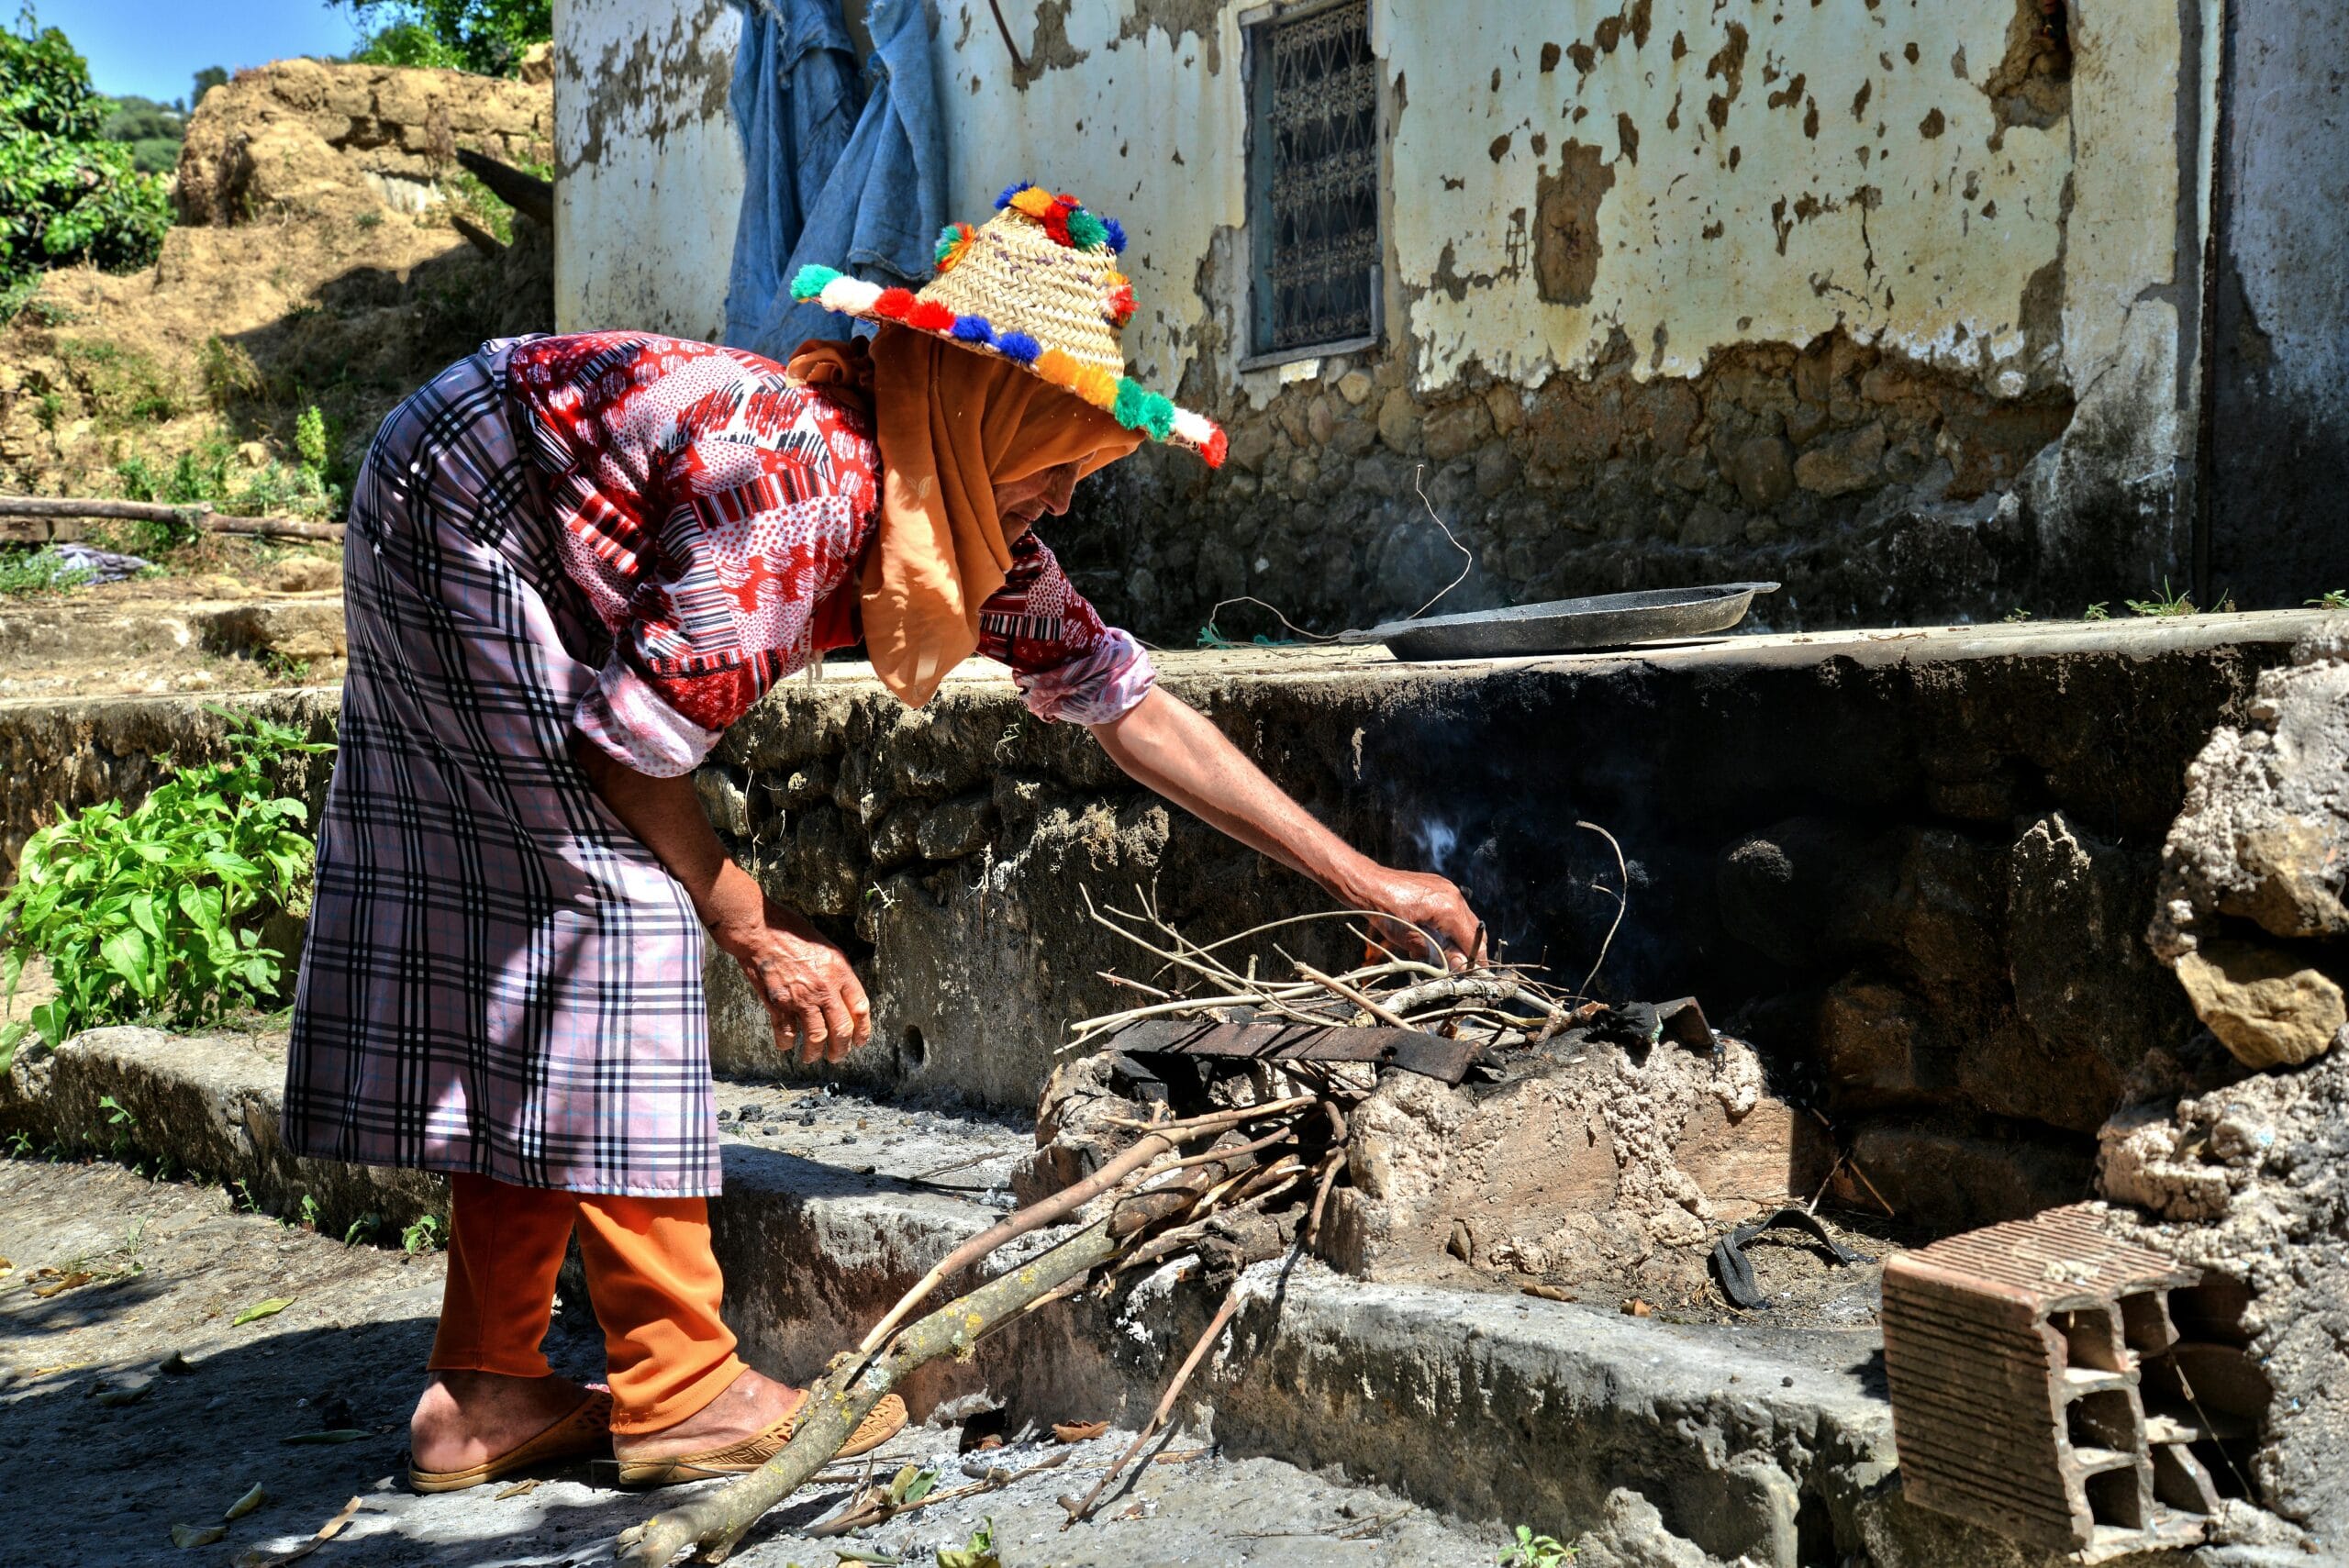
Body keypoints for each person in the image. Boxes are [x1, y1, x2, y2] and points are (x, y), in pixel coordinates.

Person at [284, 181, 1482, 1493]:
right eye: (1058, 461)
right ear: (979, 418)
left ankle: (487, 1392)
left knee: (553, 946)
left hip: (494, 490)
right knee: (610, 914)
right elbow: (627, 749)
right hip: (465, 494)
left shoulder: (949, 515)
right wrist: (752, 921)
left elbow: (1126, 705)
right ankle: (678, 1382)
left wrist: (1363, 875)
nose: (1067, 504)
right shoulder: (800, 487)